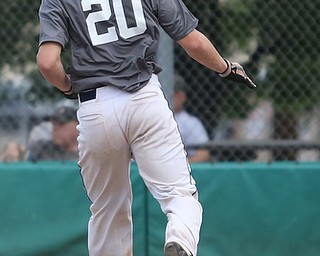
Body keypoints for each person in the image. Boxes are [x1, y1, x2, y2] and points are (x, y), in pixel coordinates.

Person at [36, 0, 256, 254]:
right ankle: (180, 238)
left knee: (108, 210)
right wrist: (226, 67)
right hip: (144, 98)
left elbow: (47, 63)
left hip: (96, 106)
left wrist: (68, 87)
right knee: (178, 194)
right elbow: (193, 42)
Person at [173, 75, 210, 162]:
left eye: (175, 93)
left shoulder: (191, 122)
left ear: (182, 96)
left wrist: (177, 166)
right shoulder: (151, 118)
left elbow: (203, 154)